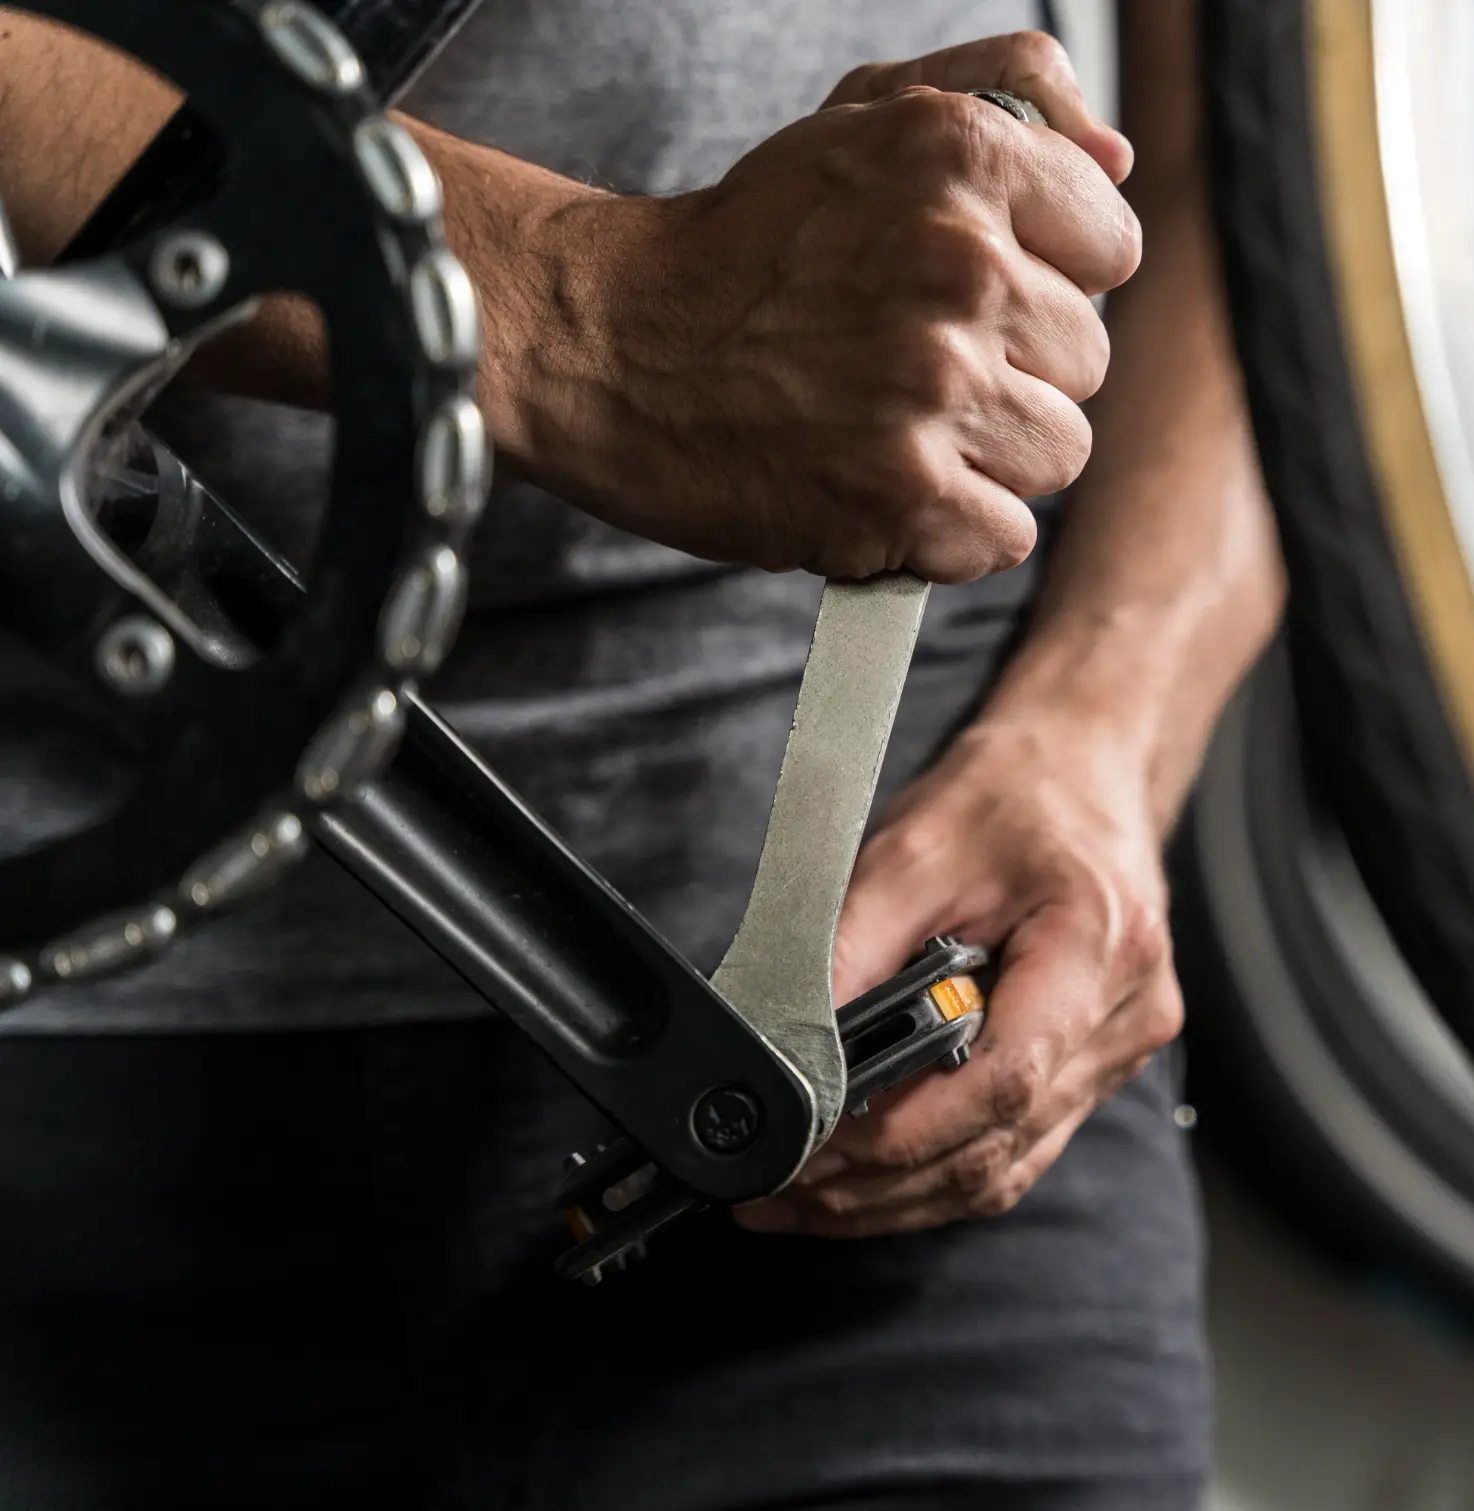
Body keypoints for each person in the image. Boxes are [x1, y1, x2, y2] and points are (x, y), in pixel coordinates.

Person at [0, 3, 1280, 1507]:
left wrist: (1100, 741)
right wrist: (575, 313)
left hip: (891, 1043)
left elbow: (1315, 184)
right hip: (64, 1049)